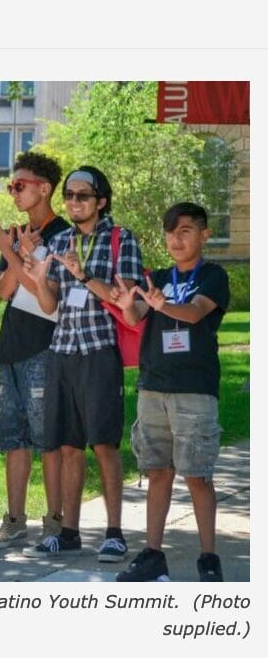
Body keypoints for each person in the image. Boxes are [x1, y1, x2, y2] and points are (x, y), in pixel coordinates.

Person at [22, 165, 143, 562]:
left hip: (99, 352)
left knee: (104, 445)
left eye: (82, 196)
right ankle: (68, 532)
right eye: (70, 196)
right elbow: (50, 305)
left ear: (100, 201)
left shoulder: (120, 239)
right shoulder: (61, 240)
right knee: (68, 446)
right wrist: (39, 279)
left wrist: (84, 273)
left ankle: (114, 533)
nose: (74, 202)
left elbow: (124, 299)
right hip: (63, 351)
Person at [112, 202, 230, 582]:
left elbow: (195, 314)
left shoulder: (213, 276)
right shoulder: (157, 277)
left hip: (194, 389)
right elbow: (136, 318)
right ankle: (152, 555)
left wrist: (166, 304)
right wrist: (127, 304)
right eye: (170, 233)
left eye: (185, 231)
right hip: (152, 387)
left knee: (197, 475)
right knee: (157, 472)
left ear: (203, 234)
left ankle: (209, 559)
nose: (176, 240)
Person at [0, 152, 67, 549]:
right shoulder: (17, 233)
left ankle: (55, 522)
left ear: (44, 188)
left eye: (20, 185)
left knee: (46, 436)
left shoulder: (63, 235)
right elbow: (4, 290)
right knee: (13, 437)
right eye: (11, 186)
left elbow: (47, 294)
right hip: (11, 344)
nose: (13, 192)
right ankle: (15, 519)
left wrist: (16, 253)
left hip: (44, 345)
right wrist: (14, 250)